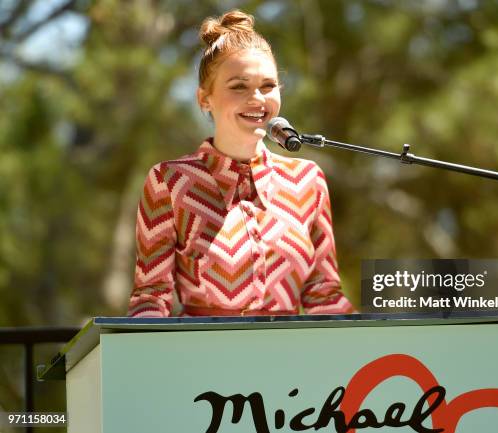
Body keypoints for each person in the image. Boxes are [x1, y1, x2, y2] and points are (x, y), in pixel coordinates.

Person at [128, 9, 354, 317]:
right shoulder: (170, 182)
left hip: (293, 359)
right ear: (204, 98)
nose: (258, 99)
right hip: (202, 359)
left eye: (268, 85)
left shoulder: (307, 181)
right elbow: (151, 297)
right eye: (239, 86)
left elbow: (324, 294)